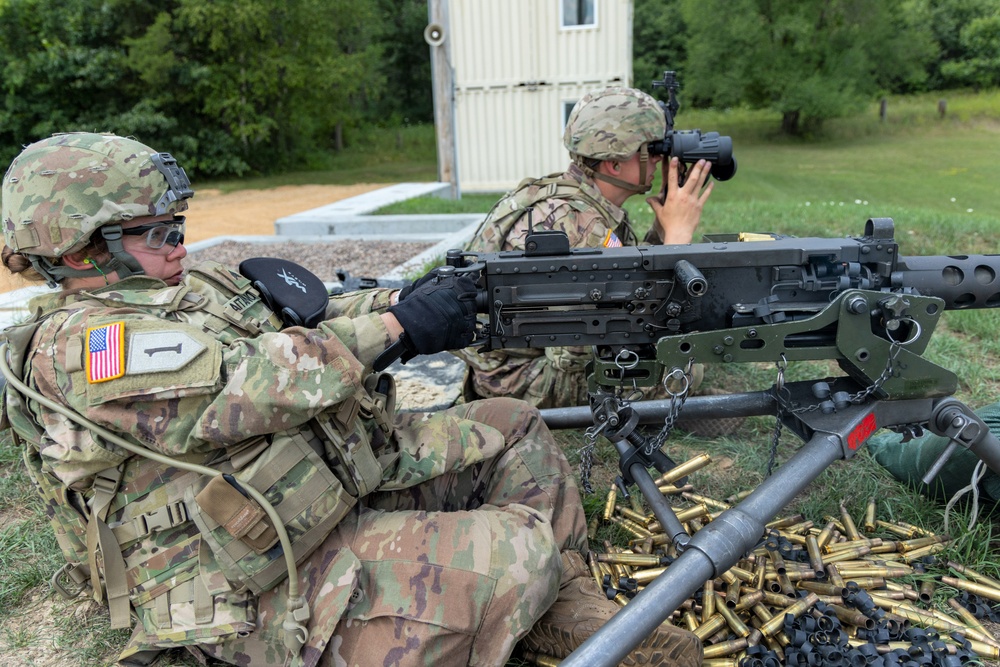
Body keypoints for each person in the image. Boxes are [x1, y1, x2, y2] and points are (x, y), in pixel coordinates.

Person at [0, 132, 702, 667]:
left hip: (315, 489)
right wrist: (402, 329)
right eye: (157, 233)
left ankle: (566, 608)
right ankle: (513, 597)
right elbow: (256, 380)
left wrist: (409, 297)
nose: (179, 244)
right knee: (517, 550)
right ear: (82, 248)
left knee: (512, 426)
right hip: (245, 584)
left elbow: (305, 315)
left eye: (179, 225)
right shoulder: (85, 350)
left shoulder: (182, 290)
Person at [455, 86, 738, 436]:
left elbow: (632, 274)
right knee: (685, 367)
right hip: (520, 384)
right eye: (651, 151)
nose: (662, 160)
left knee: (679, 354)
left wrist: (663, 230)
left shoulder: (573, 201)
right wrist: (678, 240)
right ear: (614, 162)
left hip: (513, 364)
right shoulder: (579, 225)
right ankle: (662, 413)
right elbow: (592, 342)